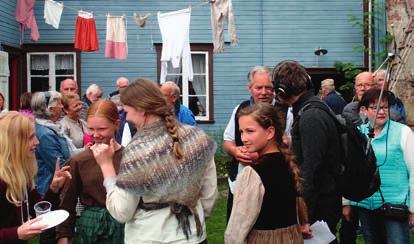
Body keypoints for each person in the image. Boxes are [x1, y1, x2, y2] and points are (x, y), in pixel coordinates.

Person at [90, 78, 218, 243]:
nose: (126, 118)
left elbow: (122, 211)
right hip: (194, 236)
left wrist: (106, 165)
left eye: (127, 112)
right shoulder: (198, 137)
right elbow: (209, 194)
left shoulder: (138, 151)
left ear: (142, 110)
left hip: (150, 237)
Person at [272, 60, 341, 236]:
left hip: (320, 204)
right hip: (321, 198)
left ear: (282, 91)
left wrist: (304, 216)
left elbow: (312, 168)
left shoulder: (311, 116)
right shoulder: (307, 109)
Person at [225, 104, 311, 243]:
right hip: (291, 237)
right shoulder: (287, 162)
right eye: (241, 132)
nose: (244, 138)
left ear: (270, 132)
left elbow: (238, 225)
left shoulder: (253, 173)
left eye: (250, 131)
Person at [346, 88, 414, 244]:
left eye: (384, 107)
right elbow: (349, 171)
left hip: (394, 205)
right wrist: (347, 203)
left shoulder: (403, 132)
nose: (381, 111)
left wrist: (413, 208)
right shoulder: (358, 134)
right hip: (366, 204)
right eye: (375, 107)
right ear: (363, 110)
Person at [57, 100, 124, 244]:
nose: (95, 134)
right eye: (91, 129)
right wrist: (63, 237)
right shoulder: (80, 160)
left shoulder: (129, 157)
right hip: (90, 229)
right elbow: (67, 202)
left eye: (101, 129)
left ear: (116, 124)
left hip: (123, 227)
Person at [0, 111, 71, 244]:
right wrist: (16, 234)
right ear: (14, 141)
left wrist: (54, 188)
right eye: (31, 137)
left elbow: (39, 210)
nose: (37, 142)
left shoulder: (21, 173)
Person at [223, 66, 275, 221]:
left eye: (269, 88)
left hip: (273, 184)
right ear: (250, 88)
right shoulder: (240, 109)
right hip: (240, 183)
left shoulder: (284, 111)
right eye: (259, 87)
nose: (264, 92)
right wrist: (235, 151)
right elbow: (227, 141)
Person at [31, 91, 72, 196]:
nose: (62, 106)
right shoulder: (46, 134)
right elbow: (59, 165)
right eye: (59, 103)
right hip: (48, 189)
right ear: (50, 109)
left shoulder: (50, 128)